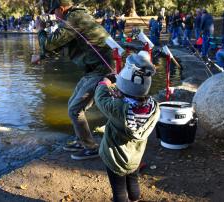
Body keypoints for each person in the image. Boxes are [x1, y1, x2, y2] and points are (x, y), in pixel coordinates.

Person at [32, 0, 114, 160]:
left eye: (54, 12)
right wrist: (41, 56)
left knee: (75, 109)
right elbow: (61, 45)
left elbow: (48, 44)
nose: (54, 16)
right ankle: (81, 139)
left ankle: (91, 148)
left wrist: (41, 29)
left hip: (104, 70)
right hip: (94, 69)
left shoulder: (74, 18)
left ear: (61, 9)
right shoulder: (75, 16)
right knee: (72, 104)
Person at [94, 51, 160, 202]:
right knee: (133, 181)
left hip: (115, 159)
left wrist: (105, 82)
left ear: (122, 86)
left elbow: (100, 98)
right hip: (135, 157)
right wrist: (122, 95)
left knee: (119, 191)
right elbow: (134, 104)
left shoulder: (117, 109)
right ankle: (135, 200)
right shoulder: (154, 107)